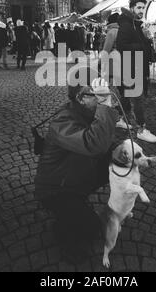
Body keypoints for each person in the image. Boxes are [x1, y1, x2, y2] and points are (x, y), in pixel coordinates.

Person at [35, 75, 118, 263]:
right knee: (91, 228)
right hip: (56, 190)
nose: (101, 98)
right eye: (95, 94)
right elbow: (94, 144)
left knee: (115, 163)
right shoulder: (62, 122)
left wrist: (122, 151)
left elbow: (104, 143)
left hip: (75, 176)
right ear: (80, 98)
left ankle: (77, 204)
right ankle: (63, 234)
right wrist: (104, 106)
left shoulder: (87, 114)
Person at [116, 0, 156, 143]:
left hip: (136, 65)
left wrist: (147, 39)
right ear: (132, 8)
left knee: (127, 95)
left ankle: (122, 119)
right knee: (138, 99)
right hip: (131, 66)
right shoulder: (126, 24)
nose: (142, 10)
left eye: (143, 7)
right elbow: (121, 46)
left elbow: (140, 44)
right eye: (139, 7)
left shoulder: (136, 24)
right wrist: (141, 46)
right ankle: (141, 129)